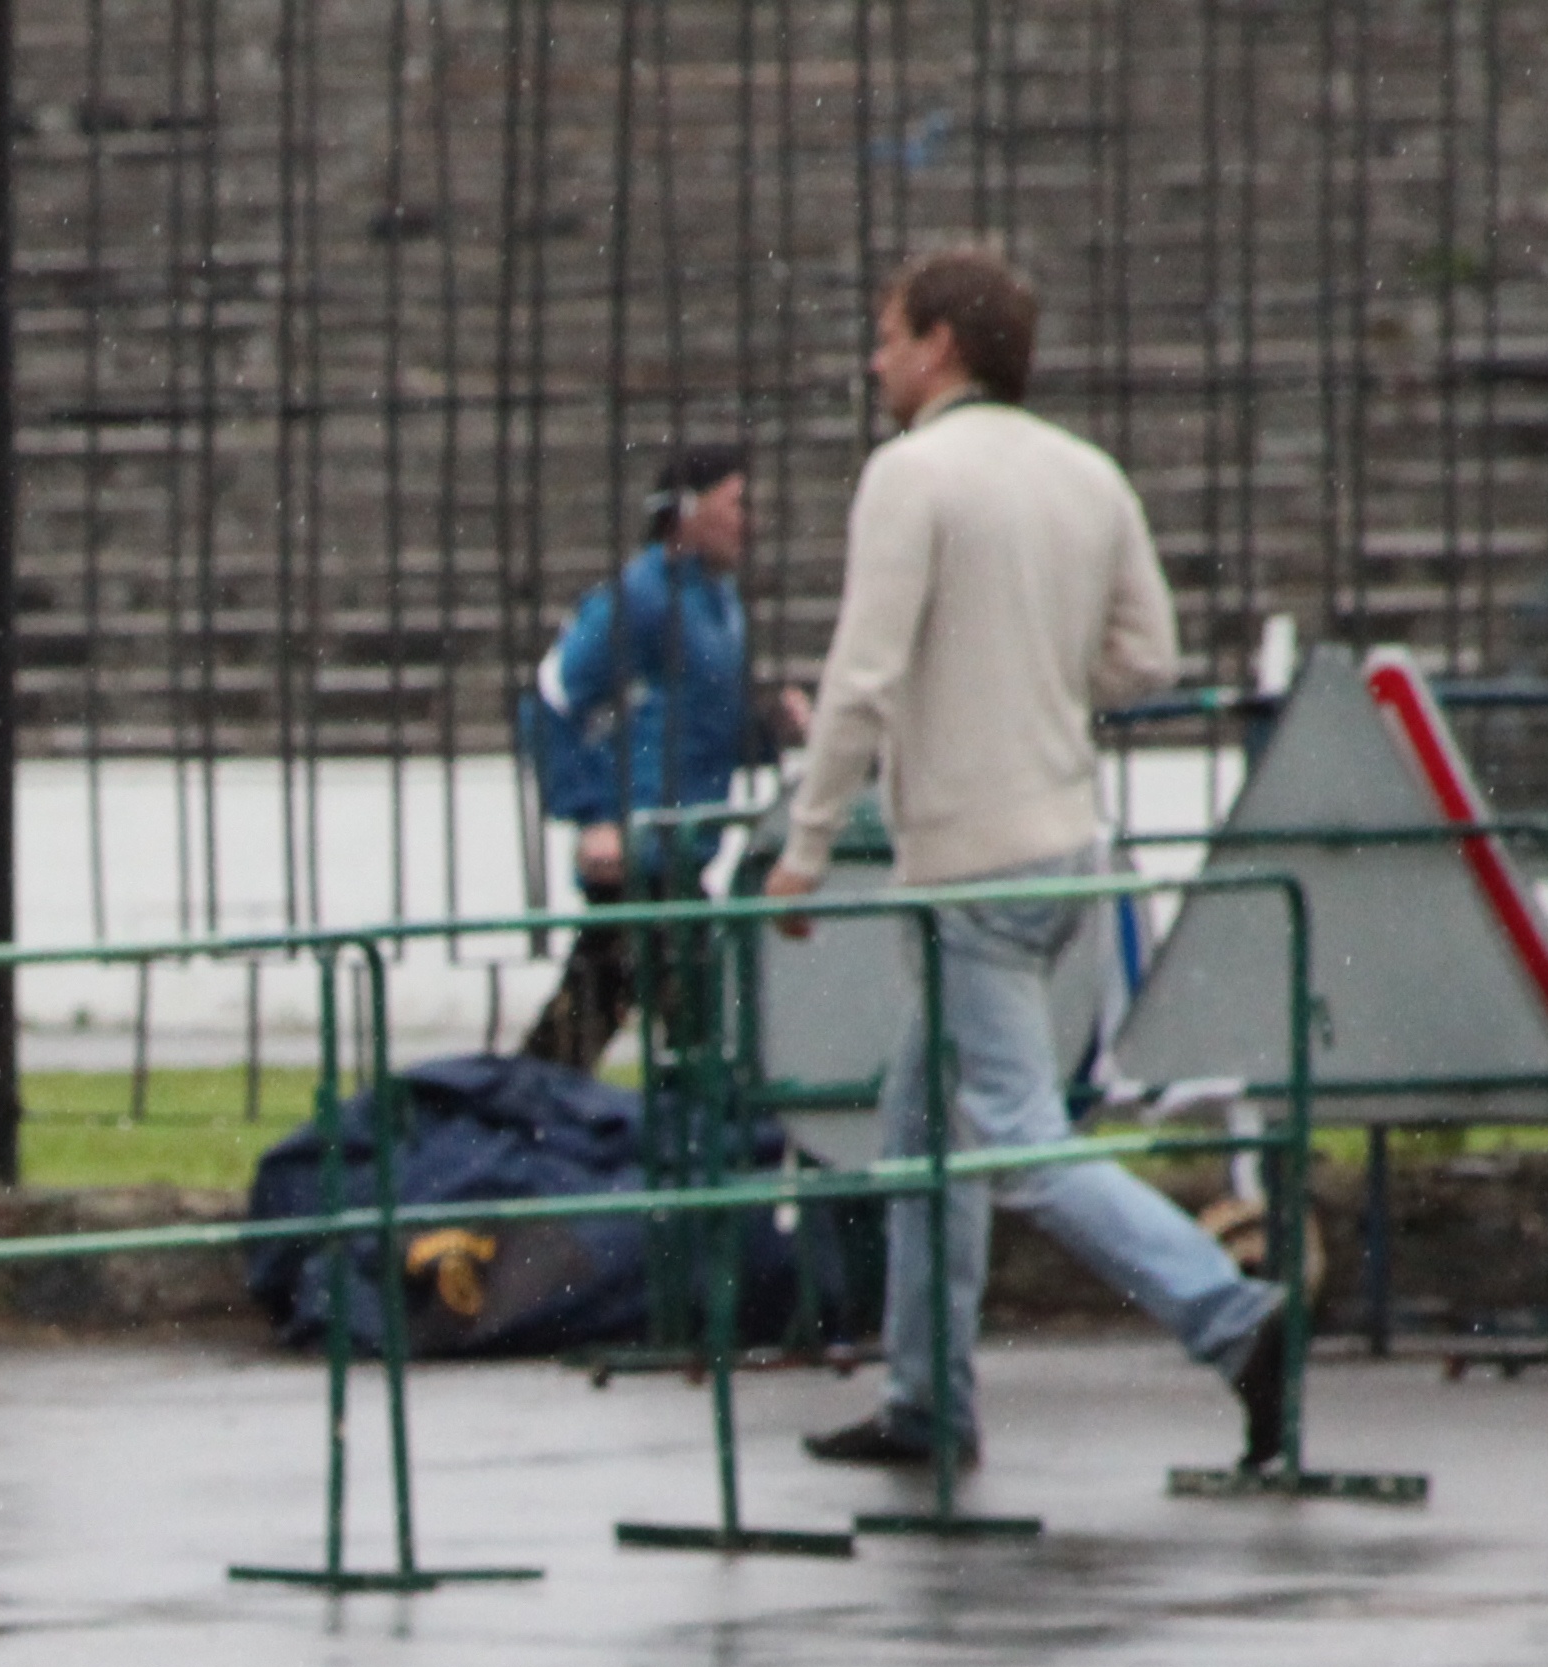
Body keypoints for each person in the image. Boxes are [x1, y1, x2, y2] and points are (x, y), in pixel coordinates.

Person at [766, 248, 1291, 1473]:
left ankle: (1233, 1316)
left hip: (972, 869)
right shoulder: (1085, 475)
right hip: (1065, 849)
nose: (876, 359)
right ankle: (925, 1402)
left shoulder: (912, 478)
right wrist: (1032, 676)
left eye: (888, 336)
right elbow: (1145, 661)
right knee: (921, 1133)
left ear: (941, 343)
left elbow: (861, 679)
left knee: (1013, 1140)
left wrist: (803, 850)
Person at [520, 442, 804, 1073]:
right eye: (736, 504)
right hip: (640, 859)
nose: (747, 521)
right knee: (694, 1033)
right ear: (688, 510)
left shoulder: (719, 604)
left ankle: (515, 1130)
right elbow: (549, 699)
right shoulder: (643, 595)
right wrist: (593, 816)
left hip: (680, 853)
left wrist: (767, 729)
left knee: (596, 1031)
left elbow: (701, 724)